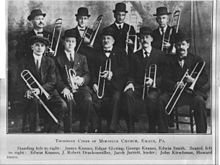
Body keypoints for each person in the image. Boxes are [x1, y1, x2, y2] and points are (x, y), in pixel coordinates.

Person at [158, 32, 208, 133]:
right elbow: (164, 79)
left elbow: (205, 78)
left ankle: (202, 134)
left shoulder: (197, 59)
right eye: (178, 45)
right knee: (161, 100)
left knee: (200, 101)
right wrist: (174, 84)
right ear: (175, 46)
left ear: (188, 45)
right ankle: (162, 134)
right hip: (175, 92)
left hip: (191, 94)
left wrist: (193, 80)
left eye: (183, 44)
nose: (181, 47)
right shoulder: (169, 59)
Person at [17, 36, 67, 133]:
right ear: (32, 47)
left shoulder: (50, 61)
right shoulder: (23, 61)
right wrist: (26, 91)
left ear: (45, 48)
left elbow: (52, 82)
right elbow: (18, 82)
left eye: (42, 46)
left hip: (48, 92)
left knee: (63, 106)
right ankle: (35, 131)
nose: (39, 48)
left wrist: (40, 90)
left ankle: (52, 129)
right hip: (32, 93)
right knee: (34, 102)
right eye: (37, 45)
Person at [55, 30, 98, 133]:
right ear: (64, 42)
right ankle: (68, 130)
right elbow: (57, 78)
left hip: (81, 87)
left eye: (72, 41)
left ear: (75, 43)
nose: (70, 44)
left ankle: (84, 129)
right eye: (68, 41)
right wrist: (64, 88)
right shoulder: (57, 58)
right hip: (66, 88)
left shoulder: (82, 57)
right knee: (69, 101)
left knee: (88, 99)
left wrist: (82, 79)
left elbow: (87, 74)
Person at [123, 27, 165, 133]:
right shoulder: (134, 55)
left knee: (151, 98)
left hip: (153, 87)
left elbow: (164, 74)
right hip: (138, 86)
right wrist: (130, 83)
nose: (144, 40)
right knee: (128, 94)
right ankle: (130, 128)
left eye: (147, 37)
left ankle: (152, 128)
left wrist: (154, 82)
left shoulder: (160, 54)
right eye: (142, 38)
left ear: (152, 39)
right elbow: (130, 73)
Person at [91, 28, 129, 133]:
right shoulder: (96, 53)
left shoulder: (121, 52)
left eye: (108, 38)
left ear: (113, 41)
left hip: (115, 85)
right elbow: (92, 71)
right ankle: (96, 127)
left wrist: (112, 73)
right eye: (103, 39)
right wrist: (94, 83)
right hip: (100, 85)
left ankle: (112, 127)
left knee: (116, 98)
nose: (106, 41)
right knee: (94, 99)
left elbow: (125, 69)